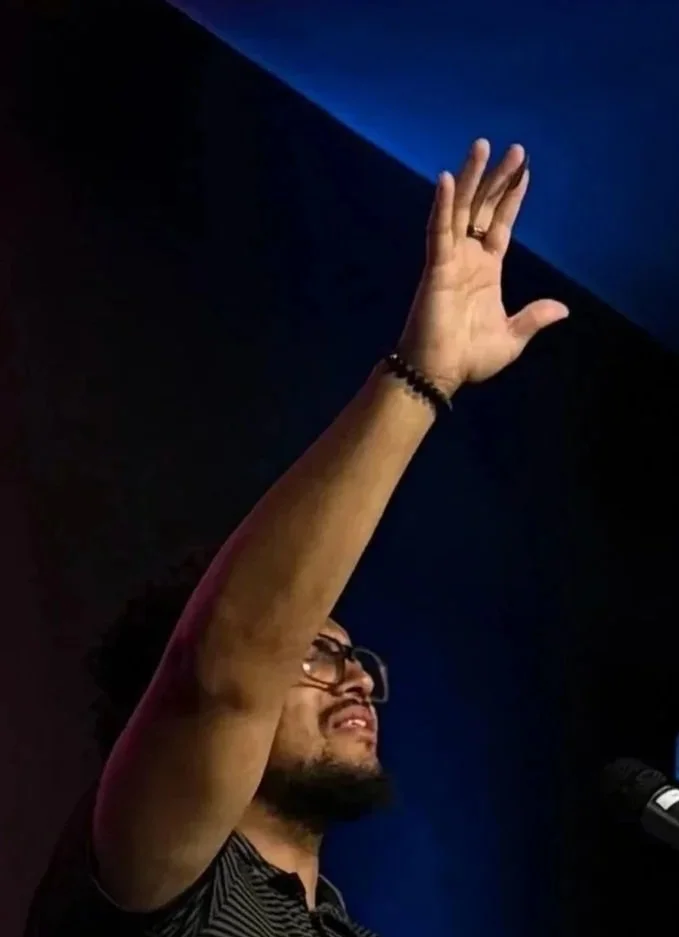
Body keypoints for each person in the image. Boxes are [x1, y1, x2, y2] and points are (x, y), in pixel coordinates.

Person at [24, 138, 568, 937]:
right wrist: (421, 378)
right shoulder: (153, 880)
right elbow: (225, 668)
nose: (357, 678)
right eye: (312, 652)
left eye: (350, 655)